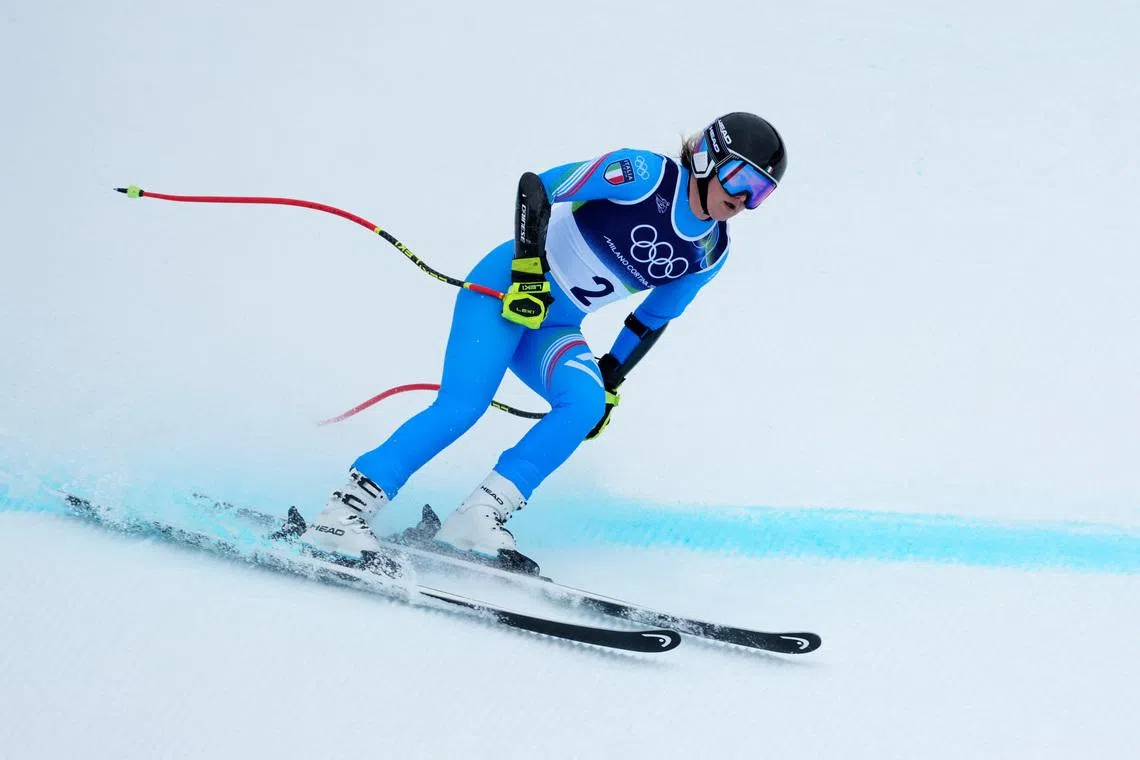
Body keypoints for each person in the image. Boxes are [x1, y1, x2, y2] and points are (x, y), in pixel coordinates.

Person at [300, 111, 788, 573]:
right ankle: (343, 512)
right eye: (740, 180)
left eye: (760, 193)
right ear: (705, 158)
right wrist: (529, 271)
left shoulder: (710, 251)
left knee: (586, 404)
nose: (744, 200)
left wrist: (612, 376)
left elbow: (651, 319)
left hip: (554, 326)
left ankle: (477, 518)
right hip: (503, 290)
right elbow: (537, 189)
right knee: (463, 406)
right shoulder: (644, 175)